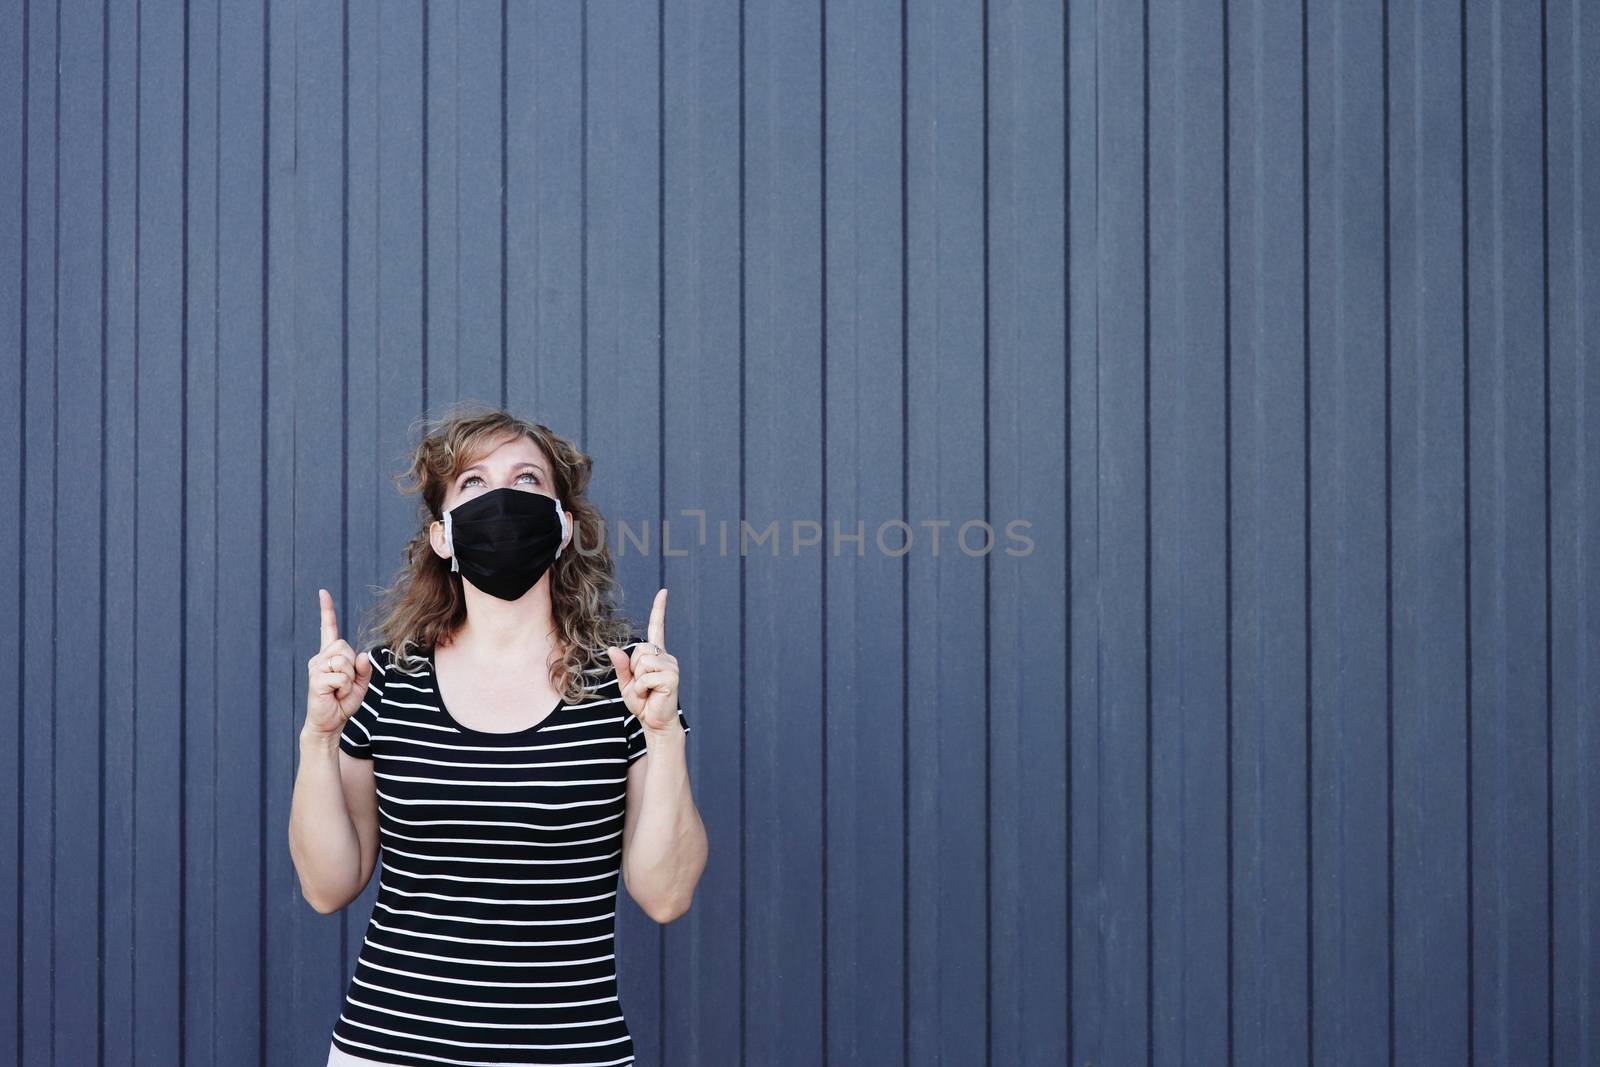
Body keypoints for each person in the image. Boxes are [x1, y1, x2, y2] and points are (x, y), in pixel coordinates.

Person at [288, 406, 708, 1067]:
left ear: (565, 528)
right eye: (474, 484)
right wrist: (318, 737)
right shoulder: (387, 680)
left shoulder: (628, 682)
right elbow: (326, 886)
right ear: (443, 535)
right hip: (391, 1049)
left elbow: (666, 894)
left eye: (528, 481)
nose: (503, 499)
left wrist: (665, 735)